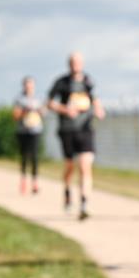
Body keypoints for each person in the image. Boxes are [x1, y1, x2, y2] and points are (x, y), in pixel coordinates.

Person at [47, 52, 105, 220]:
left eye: (78, 62)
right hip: (67, 129)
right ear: (69, 64)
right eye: (73, 62)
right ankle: (67, 191)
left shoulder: (88, 81)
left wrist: (99, 109)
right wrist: (65, 110)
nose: (76, 65)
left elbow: (95, 98)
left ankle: (84, 203)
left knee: (85, 166)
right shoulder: (61, 82)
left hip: (86, 128)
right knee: (70, 166)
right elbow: (50, 103)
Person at [13, 76, 45, 195]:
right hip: (23, 131)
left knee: (35, 156)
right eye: (27, 84)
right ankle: (23, 180)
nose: (29, 87)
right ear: (24, 86)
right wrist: (25, 110)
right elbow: (15, 116)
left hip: (36, 130)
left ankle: (35, 182)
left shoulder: (38, 98)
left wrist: (38, 110)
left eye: (31, 84)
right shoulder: (19, 99)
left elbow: (43, 113)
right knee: (24, 156)